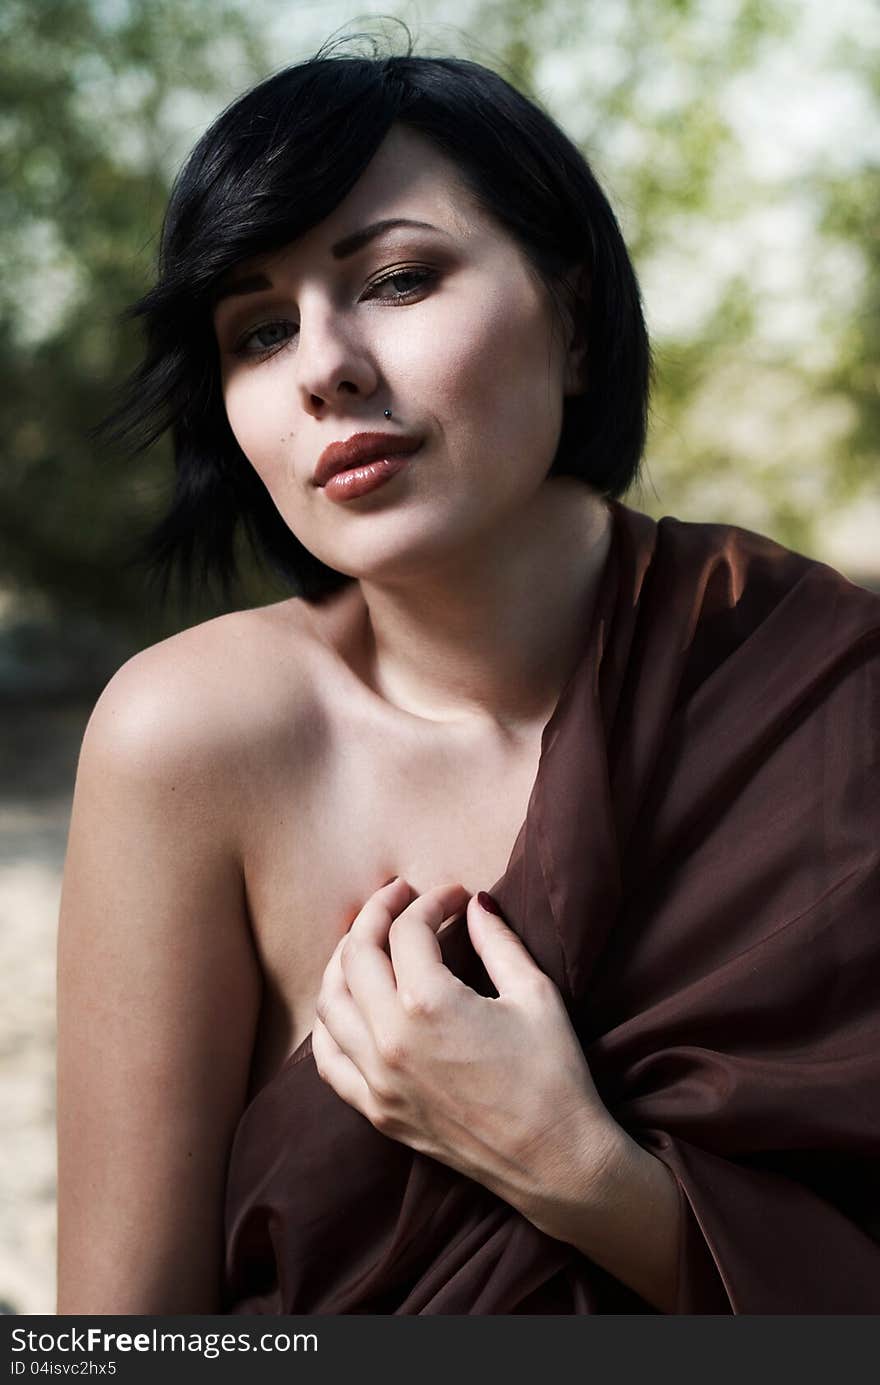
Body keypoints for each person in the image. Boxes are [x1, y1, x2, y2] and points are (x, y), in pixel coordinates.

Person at [56, 40, 880, 1316]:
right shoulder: (192, 739)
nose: (321, 365)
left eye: (394, 277)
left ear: (578, 321)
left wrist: (572, 1166)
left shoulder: (828, 692)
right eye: (257, 329)